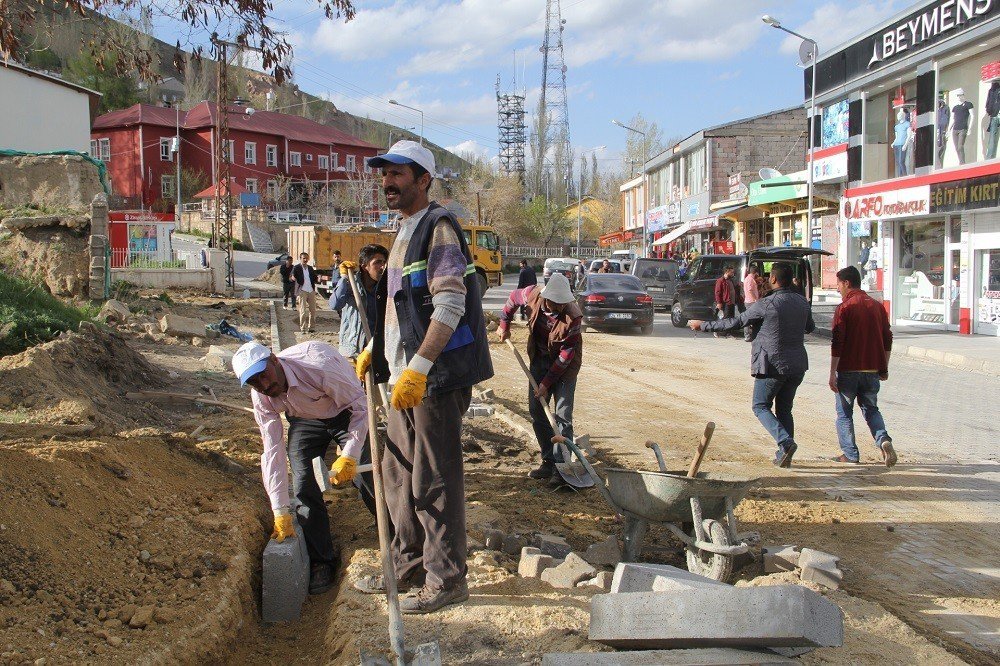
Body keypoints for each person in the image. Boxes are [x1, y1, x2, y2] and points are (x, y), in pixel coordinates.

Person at [354, 140, 494, 614]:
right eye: (385, 174)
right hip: (403, 377)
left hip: (433, 378)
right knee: (395, 476)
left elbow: (450, 304)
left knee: (433, 481)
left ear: (423, 180)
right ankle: (407, 565)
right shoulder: (404, 231)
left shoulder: (439, 230)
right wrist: (377, 350)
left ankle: (448, 578)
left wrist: (418, 367)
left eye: (399, 174)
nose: (388, 182)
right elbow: (403, 310)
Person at [231, 340, 368, 594]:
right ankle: (321, 560)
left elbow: (362, 407)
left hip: (344, 411)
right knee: (304, 482)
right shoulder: (262, 395)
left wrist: (349, 454)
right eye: (254, 382)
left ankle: (398, 534)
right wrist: (279, 510)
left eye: (264, 375)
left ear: (274, 360)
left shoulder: (319, 367)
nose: (264, 385)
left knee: (366, 476)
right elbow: (272, 451)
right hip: (305, 419)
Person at [687, 264, 815, 467]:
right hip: (797, 364)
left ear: (773, 279)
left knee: (760, 405)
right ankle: (785, 453)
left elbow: (735, 323)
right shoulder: (801, 302)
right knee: (784, 409)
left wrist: (702, 325)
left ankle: (785, 442)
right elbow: (810, 327)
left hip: (772, 364)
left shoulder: (767, 303)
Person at [497, 273, 582, 485]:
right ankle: (548, 461)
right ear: (548, 298)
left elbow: (566, 355)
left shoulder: (574, 316)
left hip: (564, 369)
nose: (562, 307)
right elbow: (512, 299)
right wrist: (504, 324)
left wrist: (546, 383)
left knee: (562, 417)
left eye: (565, 303)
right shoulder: (531, 295)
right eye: (558, 303)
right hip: (539, 359)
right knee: (537, 411)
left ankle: (562, 468)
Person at [829, 266, 896, 467]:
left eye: (839, 284)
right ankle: (883, 439)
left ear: (847, 283)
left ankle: (850, 453)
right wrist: (884, 367)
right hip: (872, 371)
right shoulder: (877, 306)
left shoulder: (845, 308)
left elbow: (837, 342)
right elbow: (887, 338)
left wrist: (832, 372)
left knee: (844, 414)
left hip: (848, 370)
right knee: (871, 409)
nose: (837, 289)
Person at [331, 244, 389, 362]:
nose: (382, 266)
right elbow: (335, 304)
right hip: (352, 352)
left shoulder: (385, 288)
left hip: (374, 351)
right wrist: (343, 278)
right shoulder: (351, 284)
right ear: (364, 266)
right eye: (377, 262)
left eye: (384, 262)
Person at [713, 264, 743, 338]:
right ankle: (717, 330)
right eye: (731, 272)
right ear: (727, 272)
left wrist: (739, 286)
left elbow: (735, 289)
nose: (733, 273)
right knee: (725, 318)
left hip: (732, 302)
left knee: (731, 318)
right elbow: (717, 292)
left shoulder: (731, 280)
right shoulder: (720, 281)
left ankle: (728, 333)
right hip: (726, 302)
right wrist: (719, 303)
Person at [292, 252, 318, 334]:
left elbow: (314, 278)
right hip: (302, 291)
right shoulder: (296, 268)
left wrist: (319, 278)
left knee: (313, 310)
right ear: (300, 259)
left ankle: (312, 328)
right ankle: (303, 328)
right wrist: (293, 278)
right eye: (304, 258)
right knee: (303, 311)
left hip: (311, 290)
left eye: (307, 258)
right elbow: (293, 276)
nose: (305, 260)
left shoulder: (310, 268)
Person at [742, 265, 761, 342]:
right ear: (756, 272)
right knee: (750, 319)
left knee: (750, 319)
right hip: (751, 302)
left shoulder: (747, 278)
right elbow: (750, 290)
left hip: (748, 301)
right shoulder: (750, 279)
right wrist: (755, 299)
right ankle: (747, 336)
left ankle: (749, 335)